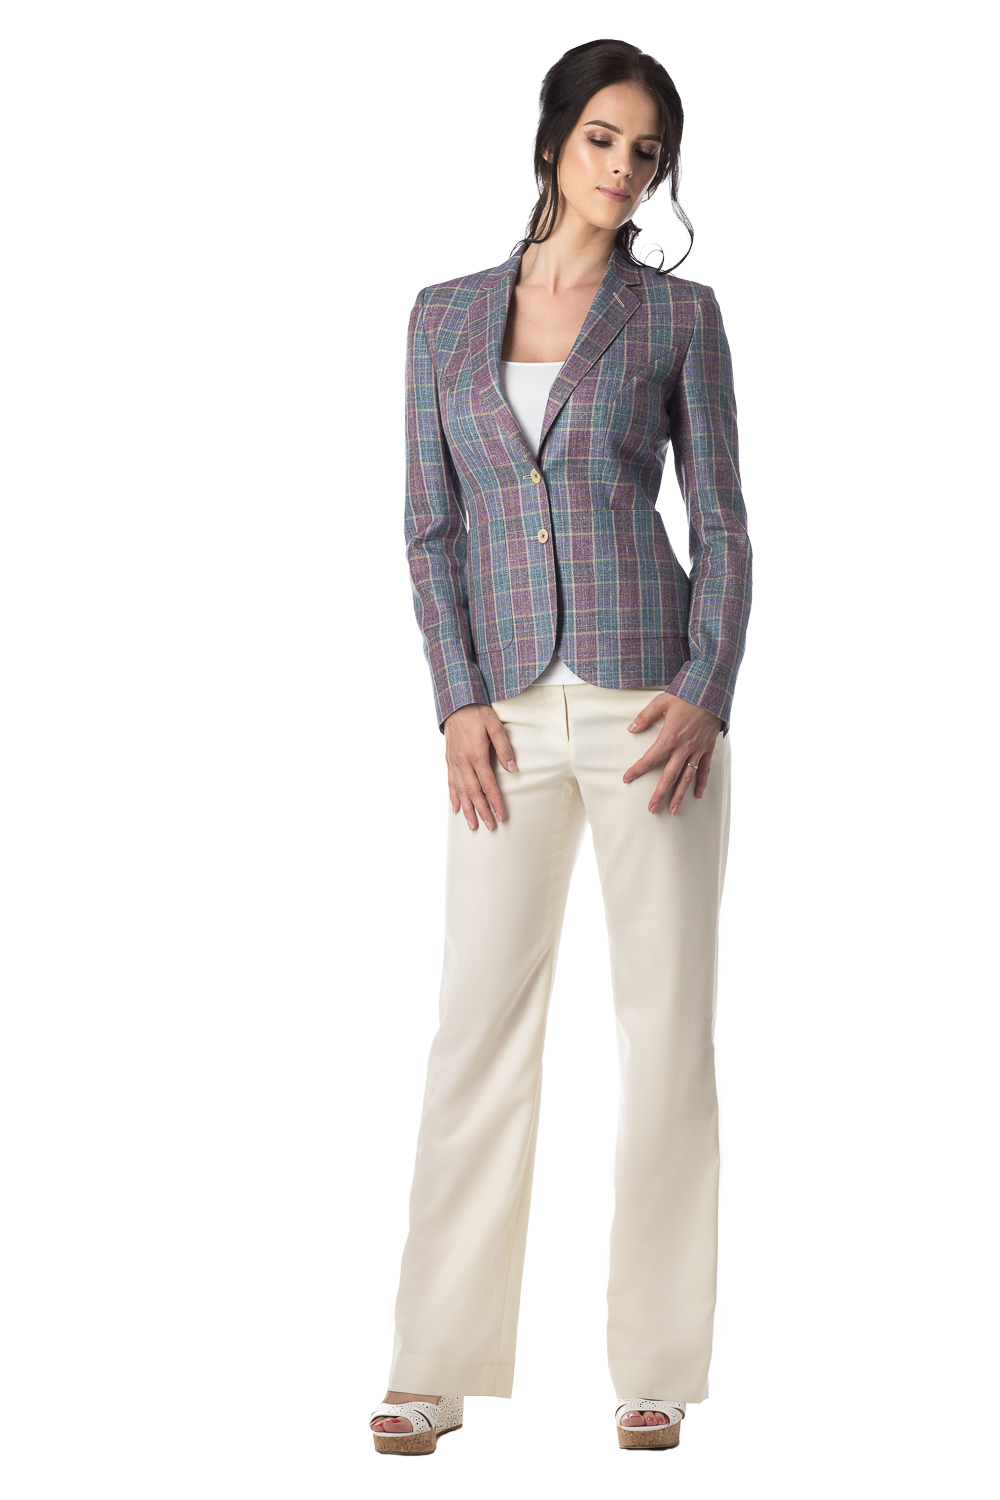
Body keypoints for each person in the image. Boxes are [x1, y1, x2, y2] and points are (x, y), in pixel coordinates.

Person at [370, 37, 752, 1455]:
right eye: (603, 138)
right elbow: (429, 529)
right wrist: (457, 700)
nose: (622, 169)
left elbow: (723, 521)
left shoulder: (679, 317)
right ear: (552, 140)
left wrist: (708, 686)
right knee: (477, 1027)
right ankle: (431, 1365)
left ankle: (655, 1367)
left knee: (666, 1033)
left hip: (655, 714)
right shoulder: (444, 317)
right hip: (505, 722)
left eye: (646, 152)